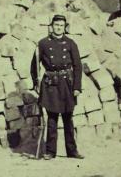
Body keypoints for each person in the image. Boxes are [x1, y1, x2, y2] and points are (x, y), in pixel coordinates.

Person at [31, 15, 83, 160]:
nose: (58, 27)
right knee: (52, 118)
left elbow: (78, 66)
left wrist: (77, 87)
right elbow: (34, 65)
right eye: (56, 25)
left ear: (64, 27)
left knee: (68, 118)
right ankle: (50, 151)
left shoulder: (71, 43)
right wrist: (36, 83)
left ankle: (72, 151)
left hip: (67, 83)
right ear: (51, 26)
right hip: (51, 84)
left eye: (61, 25)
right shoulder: (43, 44)